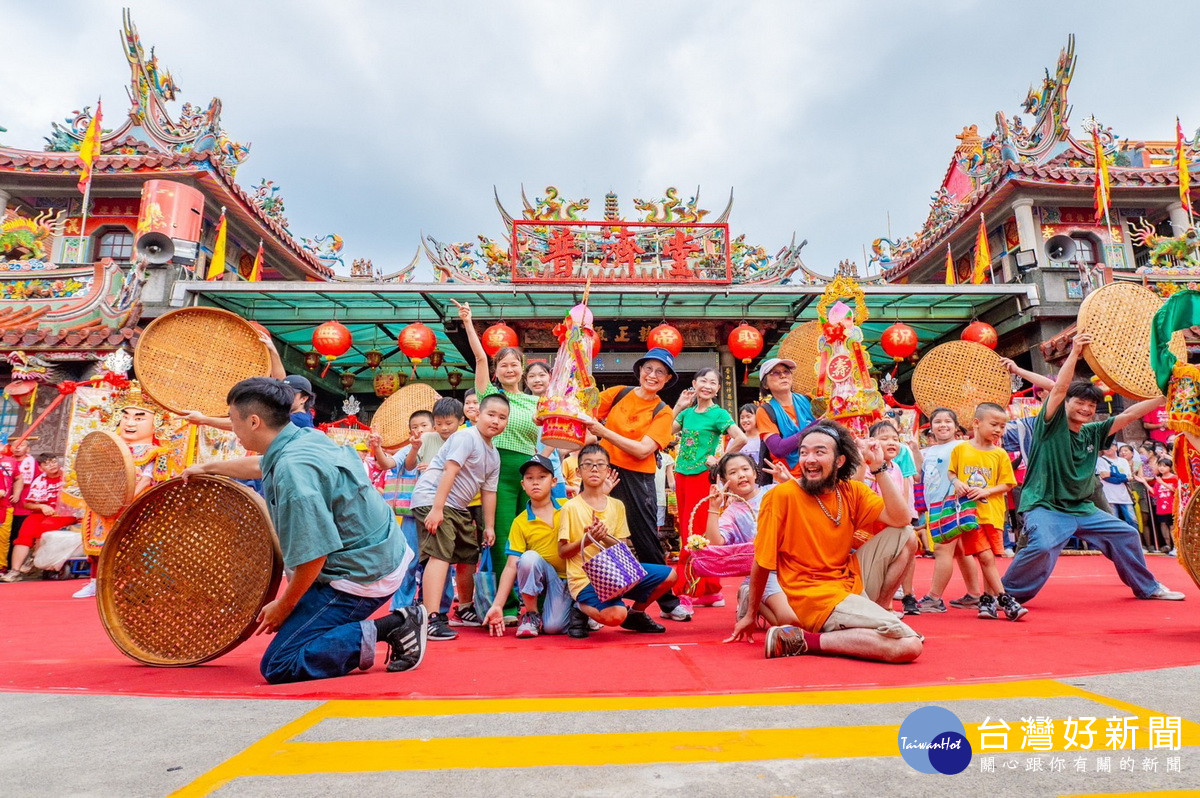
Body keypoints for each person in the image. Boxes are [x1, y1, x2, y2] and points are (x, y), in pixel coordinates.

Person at [180, 378, 425, 683]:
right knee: (294, 630)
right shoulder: (302, 439)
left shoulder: (293, 471)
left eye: (232, 419)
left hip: (362, 574)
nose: (231, 426)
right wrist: (207, 468)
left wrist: (285, 605)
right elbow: (260, 465)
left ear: (254, 421)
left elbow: (315, 555)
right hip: (379, 552)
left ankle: (392, 626)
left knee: (280, 664)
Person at [1001, 332, 1185, 604]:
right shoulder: (1050, 425)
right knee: (1040, 546)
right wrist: (1074, 353)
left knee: (1126, 533)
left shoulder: (1094, 432)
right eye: (1080, 402)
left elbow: (1130, 415)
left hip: (1083, 508)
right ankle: (1003, 594)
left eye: (1091, 405)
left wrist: (1162, 395)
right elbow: (1060, 389)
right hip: (1045, 505)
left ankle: (1147, 587)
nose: (1086, 408)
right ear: (1066, 403)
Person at [726, 423, 923, 663]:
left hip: (849, 580)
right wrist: (749, 614)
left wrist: (879, 467)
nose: (809, 459)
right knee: (909, 645)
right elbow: (762, 561)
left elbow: (901, 518)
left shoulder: (852, 491)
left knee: (906, 535)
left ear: (839, 461)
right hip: (812, 596)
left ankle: (878, 612)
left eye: (819, 452)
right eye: (804, 452)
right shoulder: (781, 496)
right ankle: (804, 641)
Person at [584, 348, 689, 621]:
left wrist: (603, 431)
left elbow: (643, 450)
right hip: (603, 471)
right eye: (648, 369)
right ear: (639, 370)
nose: (652, 375)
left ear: (667, 380)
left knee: (644, 539)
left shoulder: (663, 412)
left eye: (660, 372)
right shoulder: (619, 393)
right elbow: (585, 408)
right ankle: (591, 600)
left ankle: (666, 599)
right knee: (595, 531)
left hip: (635, 478)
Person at [456, 301, 539, 623]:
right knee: (503, 538)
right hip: (499, 472)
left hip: (531, 474)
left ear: (522, 369)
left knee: (532, 536)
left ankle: (534, 603)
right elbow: (478, 357)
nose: (509, 369)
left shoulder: (537, 401)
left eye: (514, 365)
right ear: (496, 371)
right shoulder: (491, 396)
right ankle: (503, 606)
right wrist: (468, 321)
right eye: (503, 365)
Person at [410, 392, 509, 640]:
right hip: (433, 498)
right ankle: (431, 618)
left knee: (468, 553)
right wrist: (437, 508)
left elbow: (489, 492)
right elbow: (449, 472)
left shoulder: (494, 454)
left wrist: (489, 526)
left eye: (502, 417)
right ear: (477, 415)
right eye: (491, 414)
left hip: (457, 506)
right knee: (439, 553)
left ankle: (464, 608)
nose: (496, 421)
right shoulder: (466, 437)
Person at [557, 443, 677, 637]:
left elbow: (623, 549)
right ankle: (580, 607)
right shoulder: (571, 507)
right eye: (588, 464)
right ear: (578, 471)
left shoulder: (617, 505)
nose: (594, 469)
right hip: (585, 578)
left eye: (600, 464)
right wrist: (587, 540)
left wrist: (604, 538)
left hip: (616, 573)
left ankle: (636, 613)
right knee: (616, 616)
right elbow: (563, 553)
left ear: (608, 470)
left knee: (669, 575)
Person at [948, 403, 1025, 621]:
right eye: (994, 424)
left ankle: (987, 601)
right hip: (969, 514)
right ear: (976, 423)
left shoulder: (1000, 453)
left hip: (993, 513)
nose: (998, 430)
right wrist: (957, 483)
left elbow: (1008, 484)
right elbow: (952, 473)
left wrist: (986, 490)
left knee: (988, 558)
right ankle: (1005, 598)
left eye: (1002, 426)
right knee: (985, 556)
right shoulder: (960, 449)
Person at [705, 452, 799, 628]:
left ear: (755, 473)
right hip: (765, 571)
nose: (741, 474)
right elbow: (715, 543)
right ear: (724, 480)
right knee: (791, 622)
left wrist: (788, 481)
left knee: (811, 618)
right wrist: (713, 508)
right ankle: (752, 595)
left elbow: (808, 502)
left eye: (745, 469)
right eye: (733, 472)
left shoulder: (775, 490)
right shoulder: (732, 513)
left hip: (796, 565)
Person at [483, 455, 572, 638]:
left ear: (554, 482)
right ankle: (532, 614)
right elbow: (511, 565)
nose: (535, 483)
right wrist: (498, 605)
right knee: (528, 558)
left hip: (573, 579)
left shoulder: (568, 507)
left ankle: (581, 608)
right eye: (529, 478)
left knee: (555, 627)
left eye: (542, 477)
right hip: (547, 584)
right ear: (523, 485)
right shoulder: (520, 522)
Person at [914, 408, 984, 613]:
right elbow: (920, 476)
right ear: (930, 427)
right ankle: (974, 595)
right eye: (937, 422)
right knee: (962, 551)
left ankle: (934, 598)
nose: (942, 425)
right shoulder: (929, 450)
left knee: (943, 549)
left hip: (952, 503)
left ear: (956, 427)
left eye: (947, 422)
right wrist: (916, 452)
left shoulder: (962, 445)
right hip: (935, 504)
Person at [367, 410, 433, 611]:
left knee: (435, 561)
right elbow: (388, 463)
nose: (419, 430)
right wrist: (377, 448)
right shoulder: (407, 449)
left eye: (424, 425)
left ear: (434, 426)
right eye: (414, 427)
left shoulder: (442, 445)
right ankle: (403, 605)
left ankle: (434, 606)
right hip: (411, 514)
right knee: (410, 560)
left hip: (436, 511)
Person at [863, 420, 919, 615]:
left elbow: (902, 503)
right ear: (872, 442)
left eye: (895, 439)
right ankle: (881, 604)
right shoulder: (866, 467)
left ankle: (886, 603)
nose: (891, 442)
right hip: (871, 527)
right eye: (884, 438)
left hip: (892, 524)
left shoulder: (897, 468)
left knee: (909, 541)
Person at [1, 454, 77, 582]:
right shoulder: (39, 480)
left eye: (53, 461)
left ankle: (35, 557)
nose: (52, 465)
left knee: (45, 526)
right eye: (46, 464)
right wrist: (41, 506)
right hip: (43, 512)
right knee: (25, 531)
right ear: (41, 468)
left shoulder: (70, 477)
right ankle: (15, 571)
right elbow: (27, 504)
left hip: (65, 513)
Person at [755, 358, 817, 478]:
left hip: (818, 473)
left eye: (786, 371)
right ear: (765, 384)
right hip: (787, 478)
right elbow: (778, 448)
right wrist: (815, 426)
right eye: (776, 373)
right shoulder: (765, 411)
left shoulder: (810, 400)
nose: (783, 376)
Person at [1096, 443, 1137, 529]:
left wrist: (1111, 474)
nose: (1108, 448)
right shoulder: (1100, 460)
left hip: (1124, 496)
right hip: (1109, 496)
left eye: (1110, 446)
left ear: (1115, 447)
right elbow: (1104, 476)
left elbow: (1128, 477)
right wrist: (1119, 476)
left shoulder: (1123, 461)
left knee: (1132, 520)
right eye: (1105, 447)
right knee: (1114, 522)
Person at [0, 443, 25, 571]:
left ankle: (1, 566)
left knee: (3, 538)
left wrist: (16, 494)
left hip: (5, 506)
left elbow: (19, 478)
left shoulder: (10, 461)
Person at [1150, 458, 1178, 555]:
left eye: (1164, 466)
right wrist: (1144, 482)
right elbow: (1154, 492)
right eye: (1160, 466)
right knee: (1163, 525)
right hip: (1161, 507)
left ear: (1170, 467)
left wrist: (1162, 483)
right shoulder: (1158, 479)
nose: (1161, 468)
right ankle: (1168, 546)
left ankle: (1176, 547)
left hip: (1172, 506)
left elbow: (1175, 490)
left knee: (1172, 527)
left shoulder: (1175, 478)